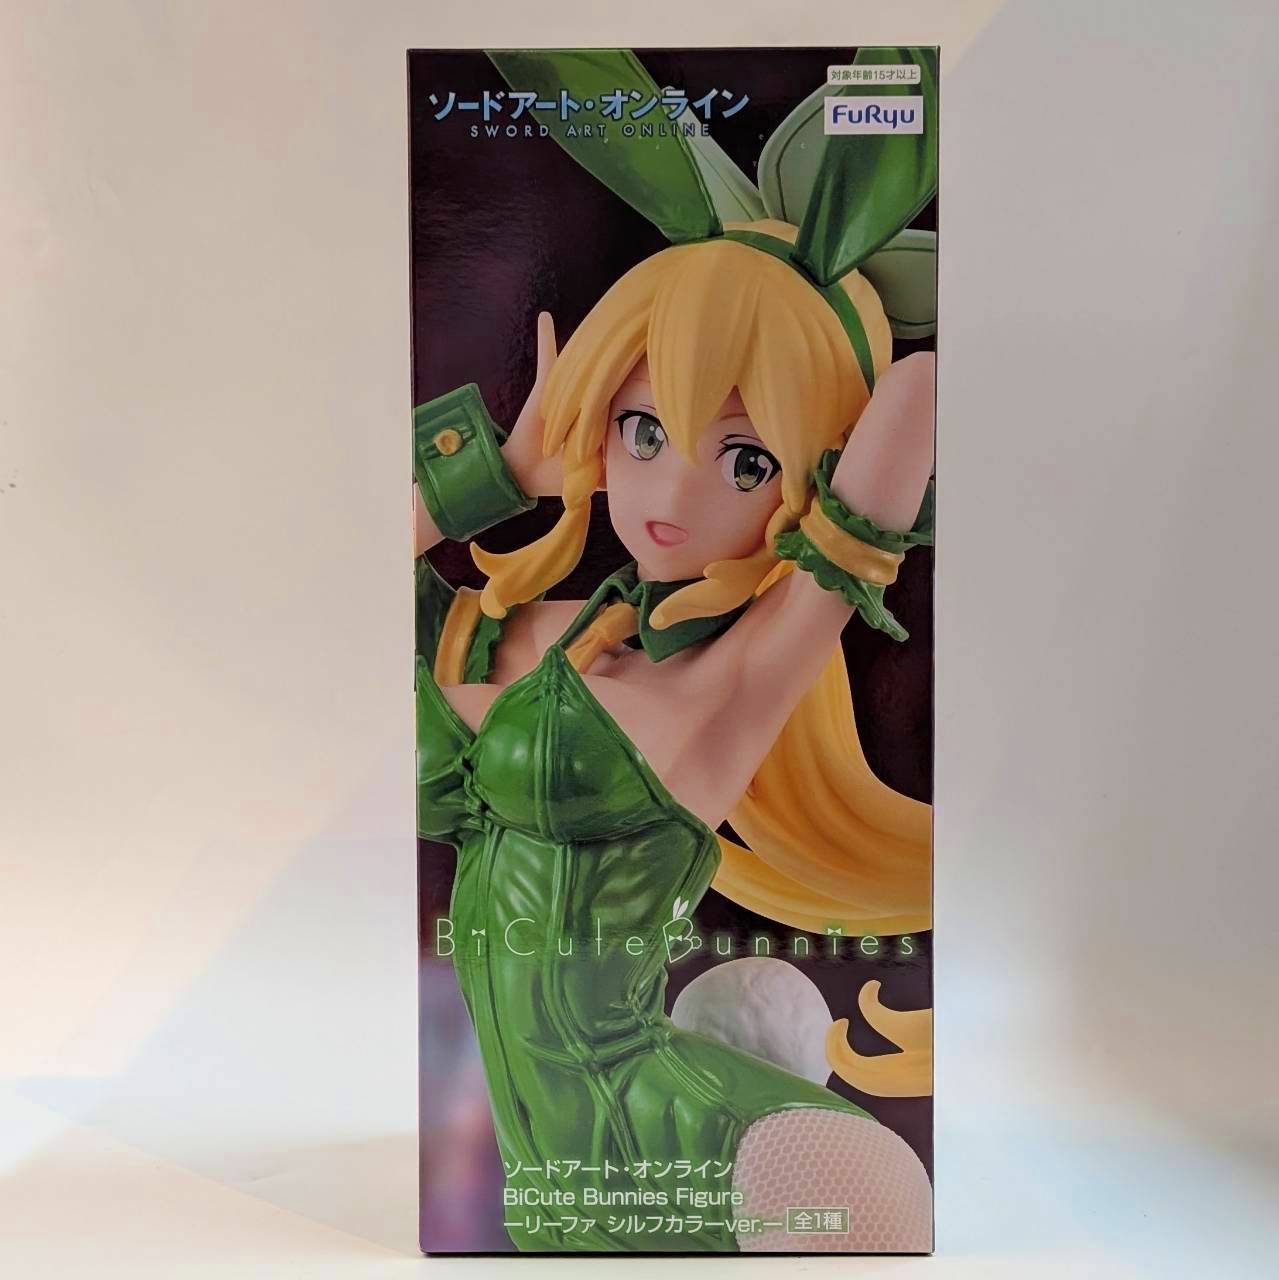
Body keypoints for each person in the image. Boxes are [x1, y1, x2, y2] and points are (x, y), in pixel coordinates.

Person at [414, 48, 939, 1253]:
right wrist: (507, 469)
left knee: (867, 1205)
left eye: (746, 457)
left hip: (673, 1136)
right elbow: (331, 575)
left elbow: (911, 394)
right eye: (644, 427)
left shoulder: (732, 683)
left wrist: (814, 259)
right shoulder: (519, 625)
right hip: (532, 1179)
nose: (673, 490)